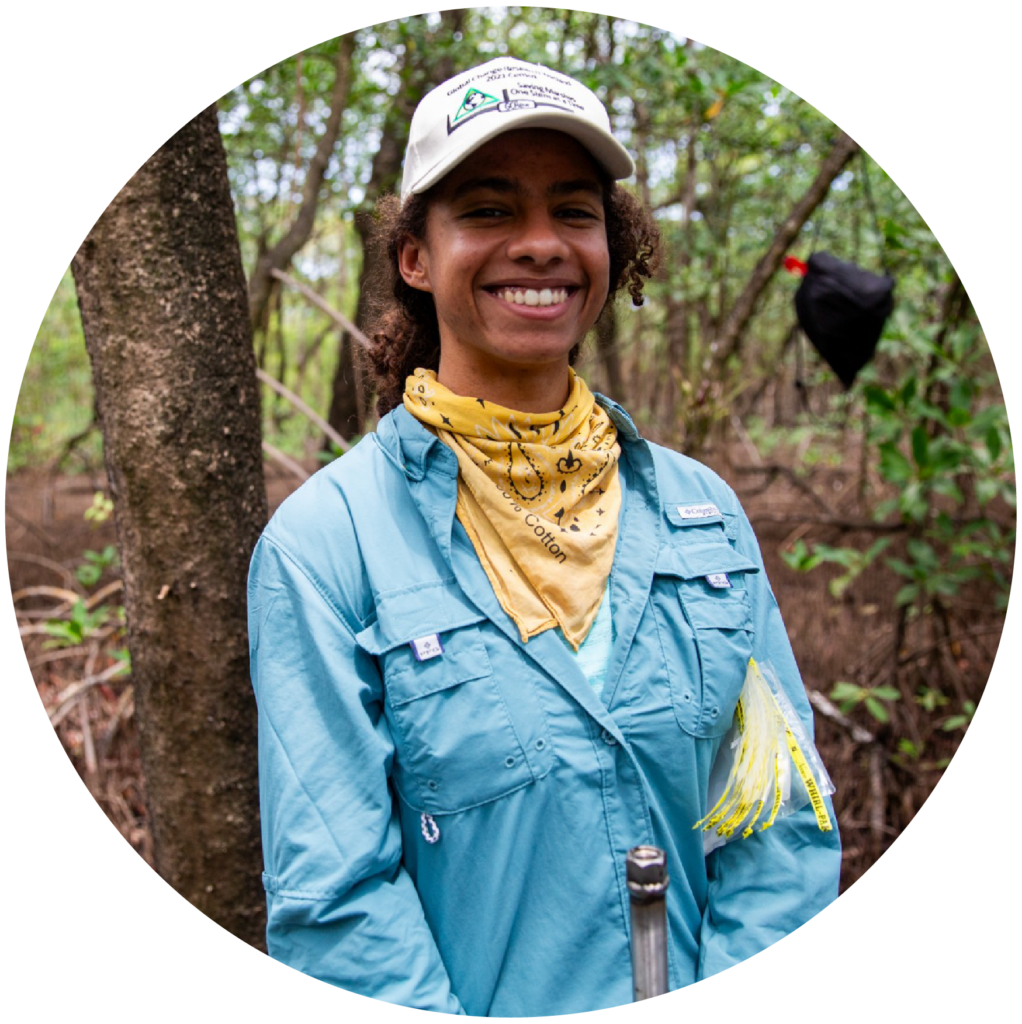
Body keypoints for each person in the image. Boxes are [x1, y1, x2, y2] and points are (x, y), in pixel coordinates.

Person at [248, 57, 841, 1016]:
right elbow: (336, 904)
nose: (540, 246)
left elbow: (783, 822)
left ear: (614, 244)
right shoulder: (327, 544)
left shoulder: (704, 515)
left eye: (573, 211)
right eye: (487, 211)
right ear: (414, 256)